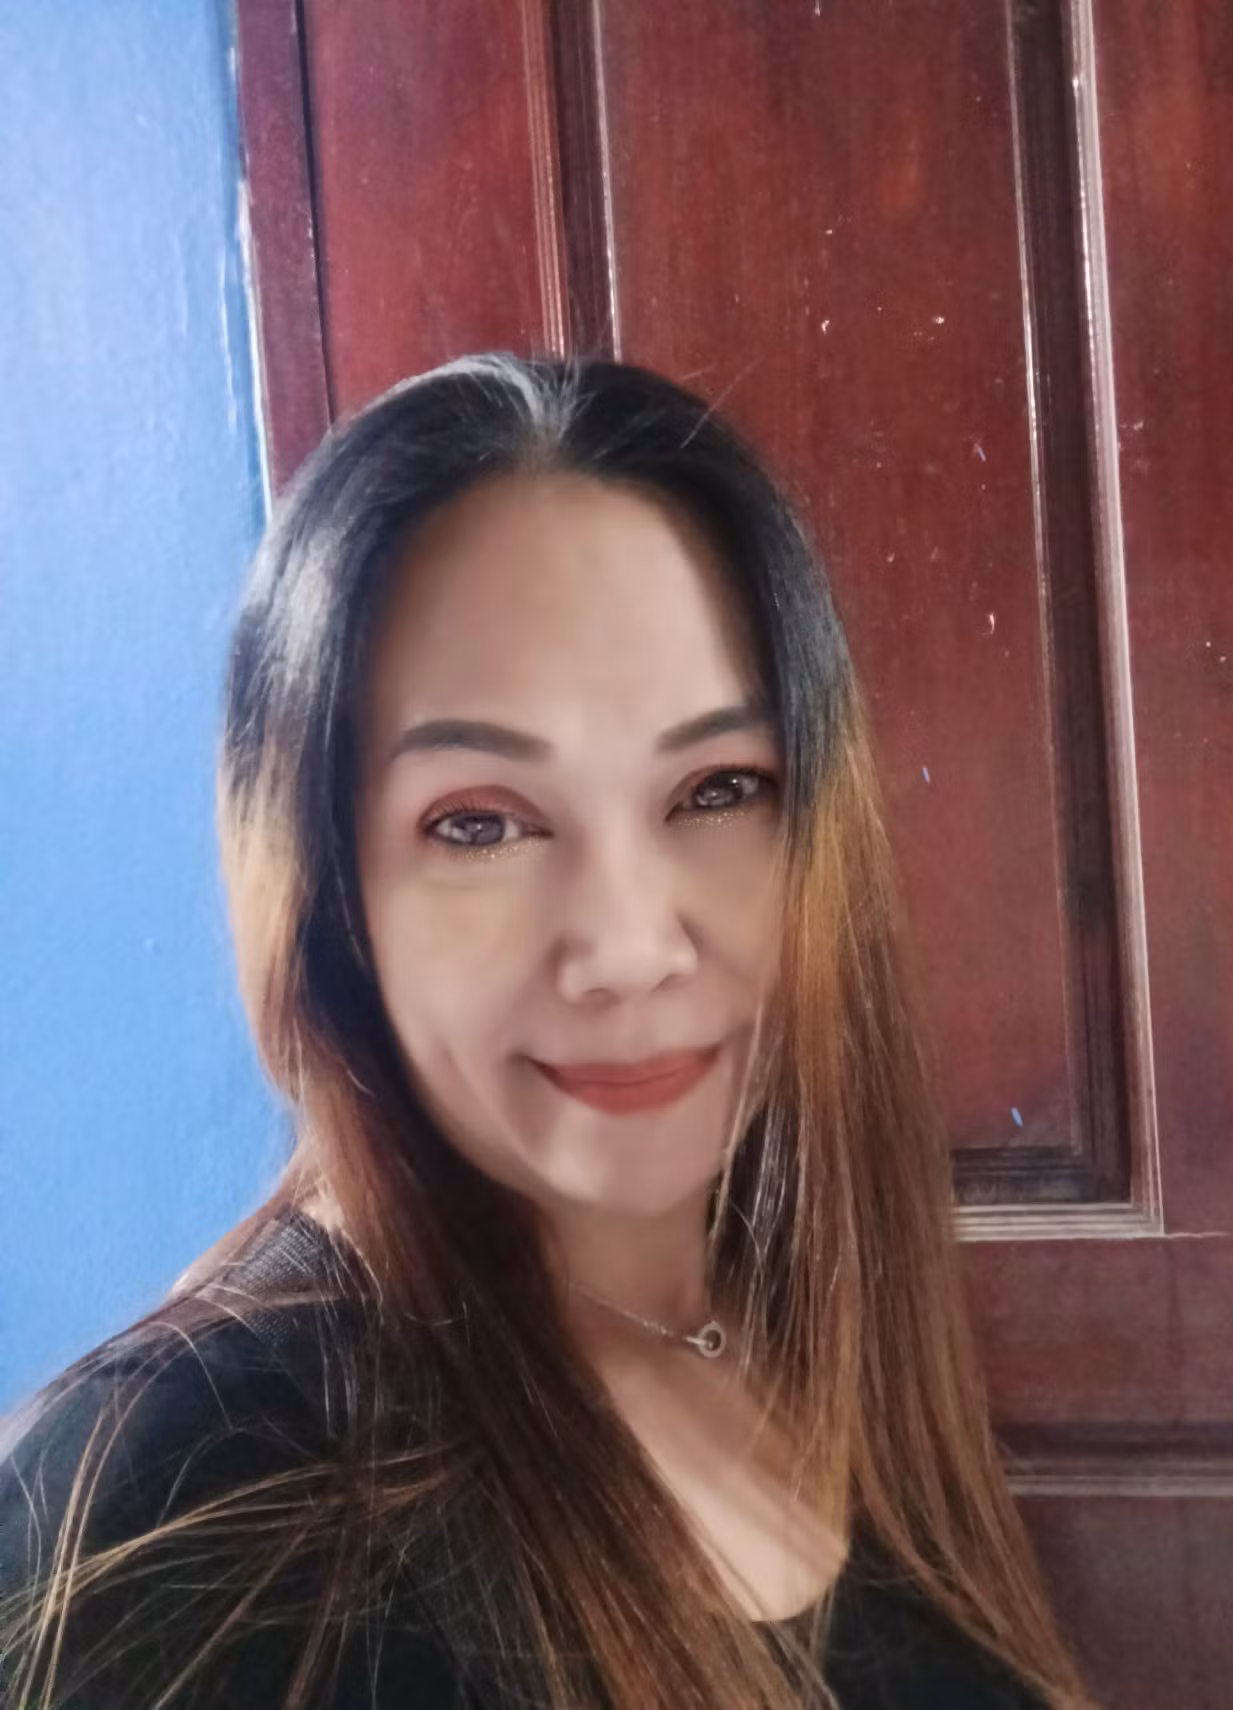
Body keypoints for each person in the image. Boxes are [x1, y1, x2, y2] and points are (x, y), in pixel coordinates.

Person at [0, 355, 1092, 1708]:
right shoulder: (191, 1503)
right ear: (331, 899)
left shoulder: (821, 1334)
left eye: (717, 789)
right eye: (480, 823)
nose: (628, 948)